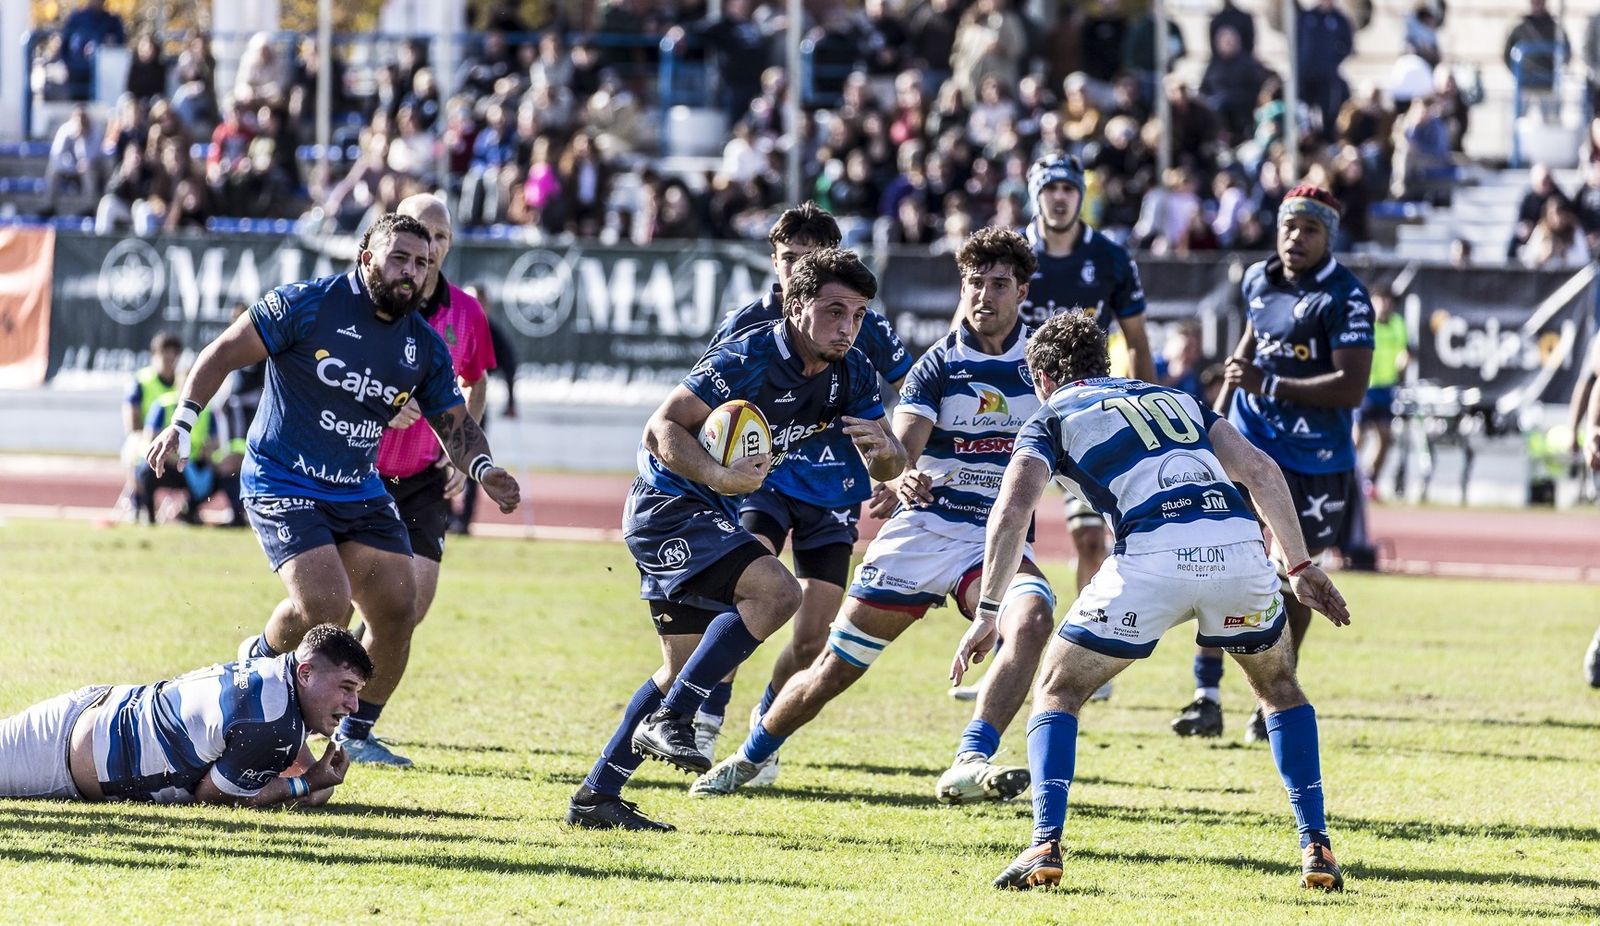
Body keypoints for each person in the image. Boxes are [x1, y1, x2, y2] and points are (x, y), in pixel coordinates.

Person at [952, 311, 1351, 892]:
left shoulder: (1051, 415)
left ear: (1040, 376)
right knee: (1279, 688)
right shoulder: (1179, 399)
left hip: (1152, 557)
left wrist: (988, 613)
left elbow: (1012, 512)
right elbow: (1262, 472)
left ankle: (1044, 844)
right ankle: (1316, 845)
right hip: (1238, 550)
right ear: (1104, 364)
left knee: (1058, 689)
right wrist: (1299, 565)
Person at [145, 212, 522, 774]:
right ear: (367, 256)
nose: (411, 273)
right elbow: (224, 351)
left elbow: (454, 423)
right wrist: (182, 422)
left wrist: (485, 468)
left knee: (399, 610)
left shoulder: (423, 344)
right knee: (327, 607)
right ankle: (267, 682)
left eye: (421, 264)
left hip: (356, 488)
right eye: (399, 258)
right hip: (283, 477)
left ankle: (354, 732)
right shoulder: (307, 303)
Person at [691, 228, 1054, 806]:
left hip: (991, 544)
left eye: (999, 284)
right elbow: (900, 448)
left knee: (1032, 621)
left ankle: (971, 758)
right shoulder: (938, 367)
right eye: (975, 283)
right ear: (962, 288)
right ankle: (751, 756)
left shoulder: (1043, 364)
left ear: (1022, 291)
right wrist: (897, 471)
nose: (985, 296)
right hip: (922, 533)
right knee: (832, 670)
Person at [567, 248, 906, 832]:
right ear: (796, 306)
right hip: (667, 506)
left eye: (857, 314)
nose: (847, 327)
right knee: (777, 593)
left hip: (710, 509)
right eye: (833, 311)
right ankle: (674, 718)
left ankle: (596, 795)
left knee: (679, 668)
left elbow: (887, 460)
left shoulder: (850, 371)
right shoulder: (749, 354)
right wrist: (724, 478)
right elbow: (662, 426)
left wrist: (891, 458)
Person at [690, 203, 913, 782]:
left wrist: (897, 460)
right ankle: (706, 715)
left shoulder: (858, 326)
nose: (797, 270)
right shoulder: (747, 326)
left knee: (814, 634)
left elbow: (915, 391)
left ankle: (766, 731)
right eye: (788, 259)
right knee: (745, 592)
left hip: (833, 489)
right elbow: (703, 406)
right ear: (774, 262)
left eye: (811, 259)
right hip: (762, 483)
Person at [1172, 185, 1373, 743]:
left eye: (1309, 229)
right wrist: (1211, 423)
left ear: (1328, 235)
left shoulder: (1346, 297)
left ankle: (1274, 693)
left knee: (1295, 580)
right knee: (1214, 564)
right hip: (1252, 444)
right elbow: (1245, 356)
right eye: (1288, 227)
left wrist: (1272, 383)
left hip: (1315, 462)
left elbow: (1352, 387)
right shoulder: (1258, 279)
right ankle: (1204, 697)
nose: (1295, 238)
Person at [952, 153, 1151, 702]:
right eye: (1050, 188)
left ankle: (1085, 652)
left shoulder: (1110, 257)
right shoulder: (1012, 255)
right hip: (1013, 412)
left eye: (1069, 188)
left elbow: (1136, 339)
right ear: (1035, 195)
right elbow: (968, 318)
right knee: (1006, 524)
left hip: (1089, 418)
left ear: (1080, 194)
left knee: (1090, 535)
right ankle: (1001, 655)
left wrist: (1150, 403)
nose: (1060, 197)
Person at [337, 194, 498, 766]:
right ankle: (326, 707)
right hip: (363, 469)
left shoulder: (467, 313)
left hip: (426, 476)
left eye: (442, 237)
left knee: (411, 606)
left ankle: (352, 728)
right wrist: (382, 404)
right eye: (422, 234)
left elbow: (476, 379)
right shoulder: (372, 302)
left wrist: (461, 449)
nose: (431, 247)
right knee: (343, 602)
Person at [0, 623, 370, 807]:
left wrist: (314, 779)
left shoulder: (273, 668)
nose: (353, 706)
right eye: (346, 688)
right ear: (306, 673)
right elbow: (216, 797)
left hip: (94, 708)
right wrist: (308, 783)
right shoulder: (274, 726)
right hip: (64, 759)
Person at [1355, 285, 1410, 499]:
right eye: (1381, 300)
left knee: (1385, 437)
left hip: (1386, 390)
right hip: (1365, 388)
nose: (1385, 305)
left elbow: (1404, 351)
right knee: (1357, 438)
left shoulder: (1397, 324)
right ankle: (1346, 478)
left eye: (1389, 301)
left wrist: (1403, 362)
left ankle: (1370, 481)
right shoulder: (1366, 325)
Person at [123, 331, 183, 522]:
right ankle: (137, 500)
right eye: (164, 354)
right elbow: (131, 423)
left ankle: (186, 508)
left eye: (173, 354)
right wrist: (151, 437)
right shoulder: (141, 381)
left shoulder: (183, 383)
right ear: (154, 356)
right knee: (134, 448)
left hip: (176, 441)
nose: (168, 359)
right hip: (147, 437)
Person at [138, 389, 221, 524]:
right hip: (170, 464)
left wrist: (208, 451)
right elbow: (149, 439)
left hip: (194, 464)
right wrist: (171, 458)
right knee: (146, 471)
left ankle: (188, 511)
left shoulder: (207, 411)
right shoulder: (164, 404)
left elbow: (216, 442)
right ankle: (149, 517)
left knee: (221, 474)